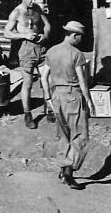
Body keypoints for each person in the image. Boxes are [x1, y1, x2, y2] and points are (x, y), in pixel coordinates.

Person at [40, 21, 96, 189]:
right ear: (75, 35)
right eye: (80, 37)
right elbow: (82, 80)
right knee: (80, 136)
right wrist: (89, 101)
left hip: (56, 96)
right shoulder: (76, 54)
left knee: (64, 135)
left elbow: (44, 78)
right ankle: (68, 174)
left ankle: (64, 168)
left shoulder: (51, 51)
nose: (80, 40)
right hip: (73, 97)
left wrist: (48, 98)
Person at [4, 0, 51, 129]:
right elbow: (7, 33)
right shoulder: (16, 12)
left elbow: (47, 24)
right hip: (26, 50)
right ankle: (28, 114)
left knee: (47, 80)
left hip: (41, 48)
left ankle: (49, 109)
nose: (32, 1)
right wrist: (24, 35)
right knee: (28, 83)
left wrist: (45, 35)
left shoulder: (37, 9)